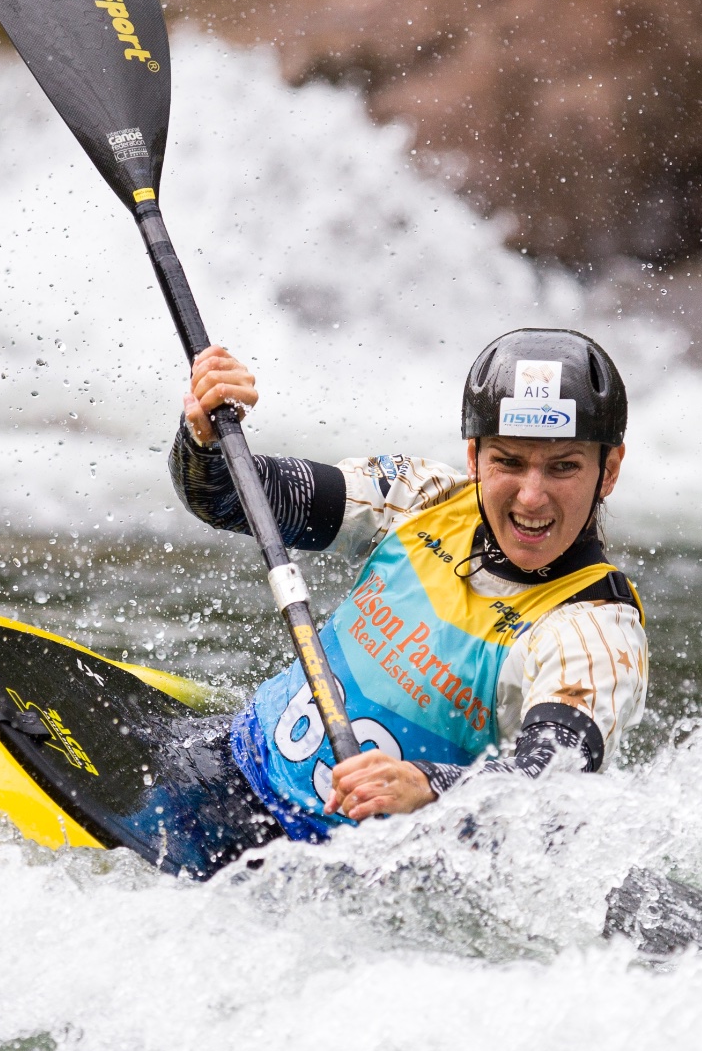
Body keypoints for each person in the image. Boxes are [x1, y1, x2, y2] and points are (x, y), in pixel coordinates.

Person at [169, 328, 648, 847]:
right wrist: (205, 435)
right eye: (508, 461)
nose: (531, 497)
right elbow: (225, 500)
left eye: (563, 468)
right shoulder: (418, 497)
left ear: (609, 471)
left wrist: (429, 784)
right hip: (230, 759)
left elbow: (551, 783)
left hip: (330, 866)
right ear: (474, 457)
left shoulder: (595, 632)